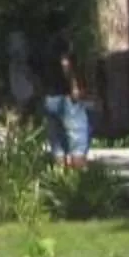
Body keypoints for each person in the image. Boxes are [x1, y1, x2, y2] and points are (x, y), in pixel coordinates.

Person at [42, 31, 93, 167]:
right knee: (77, 141)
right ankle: (81, 182)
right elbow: (66, 64)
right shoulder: (63, 48)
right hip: (67, 99)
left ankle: (60, 182)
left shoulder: (45, 52)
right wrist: (74, 86)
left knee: (58, 145)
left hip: (50, 98)